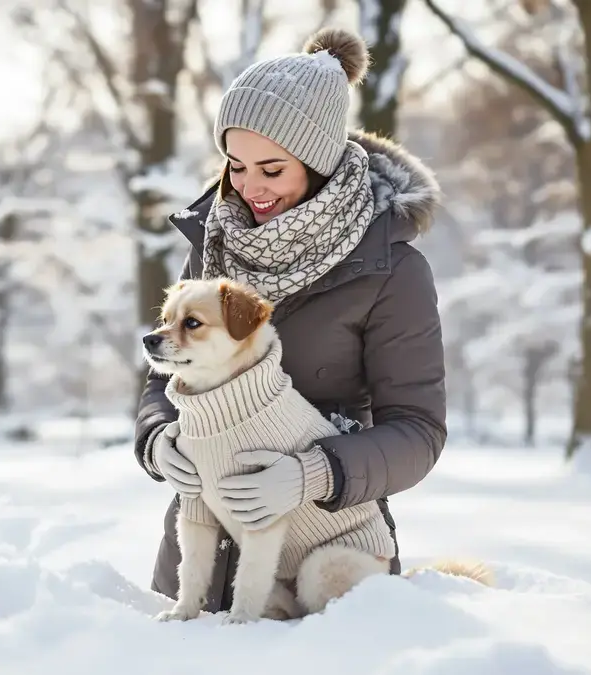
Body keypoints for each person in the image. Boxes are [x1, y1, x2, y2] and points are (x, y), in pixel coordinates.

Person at [133, 26, 448, 613]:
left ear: (319, 160)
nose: (249, 188)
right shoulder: (215, 240)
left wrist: (315, 472)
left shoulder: (391, 271)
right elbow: (168, 374)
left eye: (272, 170)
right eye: (235, 165)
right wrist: (156, 438)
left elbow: (418, 432)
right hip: (198, 570)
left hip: (322, 569)